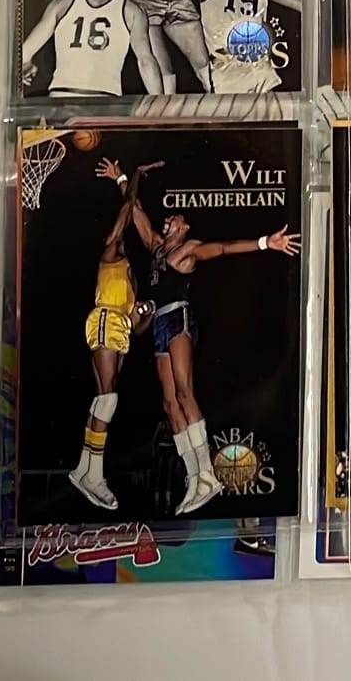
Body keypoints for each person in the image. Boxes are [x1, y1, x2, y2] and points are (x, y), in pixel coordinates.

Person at [123, 174, 301, 514]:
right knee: (169, 403)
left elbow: (224, 247)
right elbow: (135, 211)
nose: (169, 218)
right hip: (158, 322)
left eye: (176, 217)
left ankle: (208, 473)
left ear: (184, 227)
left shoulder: (188, 249)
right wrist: (121, 178)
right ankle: (195, 479)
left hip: (178, 318)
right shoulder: (156, 246)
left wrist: (266, 242)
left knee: (185, 392)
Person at [67, 158, 163, 509]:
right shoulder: (110, 255)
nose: (121, 239)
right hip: (105, 320)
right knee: (108, 398)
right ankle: (94, 475)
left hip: (119, 327)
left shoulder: (130, 277)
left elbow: (137, 329)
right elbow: (127, 209)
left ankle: (83, 469)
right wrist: (130, 176)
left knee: (102, 399)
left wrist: (147, 313)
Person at [19, 0, 166, 98]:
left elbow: (23, 55)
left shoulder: (62, 2)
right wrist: (159, 103)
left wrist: (28, 65)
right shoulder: (132, 10)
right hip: (103, 100)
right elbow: (146, 62)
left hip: (61, 97)